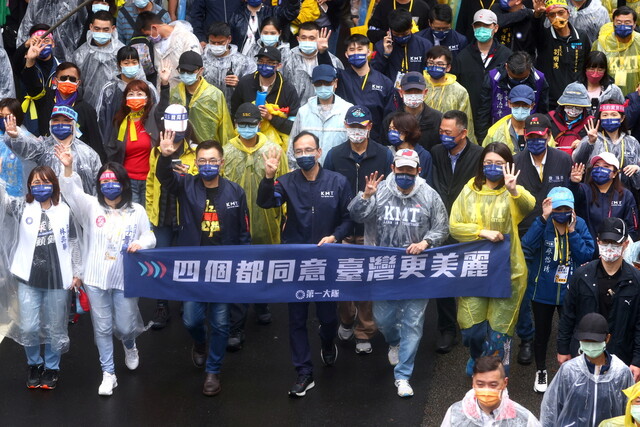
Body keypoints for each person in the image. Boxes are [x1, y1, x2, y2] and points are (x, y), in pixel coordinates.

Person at [257, 131, 353, 398]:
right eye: (298, 152)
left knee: (328, 317)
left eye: (309, 150)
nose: (304, 156)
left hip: (327, 261)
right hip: (297, 262)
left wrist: (336, 236)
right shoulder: (286, 182)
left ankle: (327, 341)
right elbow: (265, 202)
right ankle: (304, 372)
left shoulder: (338, 182)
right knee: (296, 319)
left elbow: (348, 218)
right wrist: (268, 177)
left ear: (319, 152)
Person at [56, 150, 156, 396]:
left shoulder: (137, 211)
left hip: (125, 278)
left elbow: (150, 235)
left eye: (114, 181)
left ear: (123, 183)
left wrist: (141, 244)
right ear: (99, 185)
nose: (109, 185)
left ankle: (130, 344)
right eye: (104, 181)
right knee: (101, 327)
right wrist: (68, 168)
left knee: (124, 325)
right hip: (96, 278)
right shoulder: (90, 206)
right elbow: (70, 191)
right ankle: (108, 373)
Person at [349, 148, 448, 397]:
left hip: (417, 269)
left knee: (413, 323)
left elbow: (441, 227)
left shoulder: (429, 195)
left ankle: (403, 376)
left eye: (410, 170)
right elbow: (355, 215)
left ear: (418, 170)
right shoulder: (379, 190)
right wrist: (364, 196)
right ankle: (394, 341)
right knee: (383, 320)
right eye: (400, 169)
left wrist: (426, 242)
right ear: (393, 169)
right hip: (384, 268)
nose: (405, 174)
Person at [156, 136, 250, 396]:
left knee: (220, 323)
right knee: (191, 319)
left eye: (212, 160)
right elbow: (165, 178)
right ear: (195, 164)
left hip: (223, 268)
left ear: (221, 162)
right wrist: (165, 157)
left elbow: (244, 233)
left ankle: (213, 371)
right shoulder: (186, 185)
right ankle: (199, 343)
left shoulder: (235, 192)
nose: (207, 164)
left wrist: (243, 264)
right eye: (202, 161)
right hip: (193, 267)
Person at [450, 142, 535, 376]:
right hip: (475, 269)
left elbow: (529, 205)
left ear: (508, 166)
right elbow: (454, 225)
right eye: (488, 163)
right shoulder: (469, 190)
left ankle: (495, 379)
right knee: (471, 328)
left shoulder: (512, 191)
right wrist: (480, 232)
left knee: (500, 331)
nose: (493, 167)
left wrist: (513, 189)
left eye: (499, 163)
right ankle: (476, 356)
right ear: (481, 165)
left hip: (507, 270)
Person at [323, 105, 393, 355]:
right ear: (345, 126)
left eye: (361, 127)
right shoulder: (334, 155)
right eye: (352, 127)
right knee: (342, 282)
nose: (356, 131)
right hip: (342, 231)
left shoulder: (384, 155)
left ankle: (365, 331)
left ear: (370, 127)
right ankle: (346, 319)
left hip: (370, 231)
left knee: (366, 284)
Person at [0, 166, 78, 390]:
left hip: (57, 281)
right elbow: (2, 200)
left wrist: (78, 272)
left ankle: (52, 367)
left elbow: (74, 242)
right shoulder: (22, 207)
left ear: (54, 184)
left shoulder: (64, 210)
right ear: (29, 186)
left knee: (56, 327)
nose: (40, 187)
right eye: (35, 183)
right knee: (29, 327)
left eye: (45, 182)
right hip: (29, 280)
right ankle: (34, 364)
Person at [224, 103, 287, 350]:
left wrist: (284, 215)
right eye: (242, 124)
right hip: (235, 219)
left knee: (264, 264)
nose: (247, 128)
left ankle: (262, 304)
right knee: (239, 269)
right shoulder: (227, 151)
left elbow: (283, 184)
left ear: (259, 125)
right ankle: (236, 325)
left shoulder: (273, 150)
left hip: (266, 218)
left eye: (251, 124)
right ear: (235, 124)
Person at [521, 187, 595, 393]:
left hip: (570, 291)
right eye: (557, 208)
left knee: (571, 333)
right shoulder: (543, 224)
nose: (561, 212)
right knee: (542, 333)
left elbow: (587, 254)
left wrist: (572, 233)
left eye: (566, 208)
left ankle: (571, 373)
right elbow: (526, 244)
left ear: (572, 210)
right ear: (550, 207)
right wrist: (543, 218)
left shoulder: (578, 224)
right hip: (542, 291)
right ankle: (541, 370)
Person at [557, 217, 640, 379]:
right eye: (605, 241)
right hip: (583, 352)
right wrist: (563, 349)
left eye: (615, 243)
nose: (609, 247)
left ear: (626, 244)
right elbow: (568, 316)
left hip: (622, 357)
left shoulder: (636, 280)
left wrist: (637, 360)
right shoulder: (582, 276)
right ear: (598, 242)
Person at [431, 110, 484, 353]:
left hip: (468, 226)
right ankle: (447, 328)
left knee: (469, 278)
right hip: (441, 224)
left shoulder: (480, 155)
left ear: (463, 133)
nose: (443, 136)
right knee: (442, 280)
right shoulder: (436, 153)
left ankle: (473, 325)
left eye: (448, 133)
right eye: (441, 131)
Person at [144, 104, 199, 330]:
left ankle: (187, 301)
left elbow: (199, 182)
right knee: (161, 262)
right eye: (171, 127)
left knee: (187, 261)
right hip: (163, 216)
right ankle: (161, 304)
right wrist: (150, 213)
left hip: (186, 216)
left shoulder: (195, 151)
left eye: (179, 128)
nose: (175, 133)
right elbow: (150, 183)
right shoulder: (156, 150)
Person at [543, 312, 635, 426]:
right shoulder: (569, 371)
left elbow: (629, 411)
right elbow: (551, 409)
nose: (590, 345)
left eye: (595, 341)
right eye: (586, 340)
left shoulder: (621, 373)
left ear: (607, 338)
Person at [20, 47, 104, 161]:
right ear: (55, 80)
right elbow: (32, 85)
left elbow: (95, 142)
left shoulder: (86, 109)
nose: (68, 81)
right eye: (64, 78)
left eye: (72, 79)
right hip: (47, 157)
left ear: (78, 83)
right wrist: (30, 61)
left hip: (75, 161)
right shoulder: (45, 97)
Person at [318, 34, 398, 143]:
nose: (356, 53)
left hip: (375, 141)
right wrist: (322, 53)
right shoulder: (340, 77)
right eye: (352, 49)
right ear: (346, 54)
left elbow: (389, 115)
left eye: (360, 49)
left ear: (368, 52)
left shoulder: (384, 82)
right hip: (344, 138)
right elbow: (326, 71)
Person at [4, 106, 101, 195]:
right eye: (56, 120)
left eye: (66, 120)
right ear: (50, 124)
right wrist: (15, 137)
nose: (60, 124)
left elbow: (97, 184)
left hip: (80, 210)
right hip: (51, 208)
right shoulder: (43, 147)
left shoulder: (88, 153)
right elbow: (27, 147)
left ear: (73, 125)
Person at [453, 9, 512, 142]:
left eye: (486, 25)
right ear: (473, 27)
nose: (481, 29)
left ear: (495, 28)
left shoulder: (506, 55)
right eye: (478, 25)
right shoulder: (463, 56)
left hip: (498, 115)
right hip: (470, 116)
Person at [441, 356, 542, 426]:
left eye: (493, 385)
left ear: (504, 383)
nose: (486, 390)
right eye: (480, 384)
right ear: (473, 382)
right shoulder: (455, 413)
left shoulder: (523, 418)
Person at [105, 80, 159, 205]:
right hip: (128, 179)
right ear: (125, 99)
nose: (135, 97)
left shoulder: (153, 119)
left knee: (148, 219)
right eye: (131, 94)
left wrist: (165, 85)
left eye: (139, 94)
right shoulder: (119, 122)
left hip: (150, 179)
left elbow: (162, 107)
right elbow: (112, 150)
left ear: (147, 99)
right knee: (131, 215)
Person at [573, 95, 640, 196]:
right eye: (605, 115)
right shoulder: (591, 139)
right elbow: (578, 161)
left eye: (613, 115)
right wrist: (590, 143)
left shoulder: (632, 142)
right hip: (594, 194)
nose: (609, 118)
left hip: (625, 196)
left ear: (622, 118)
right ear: (599, 118)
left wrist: (637, 169)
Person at [230, 46, 300, 141]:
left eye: (270, 63)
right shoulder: (245, 83)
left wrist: (271, 117)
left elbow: (294, 127)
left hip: (276, 145)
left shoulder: (288, 89)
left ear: (279, 65)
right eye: (261, 61)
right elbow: (234, 114)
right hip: (246, 139)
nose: (264, 65)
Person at [288, 64, 352, 168]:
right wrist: (293, 170)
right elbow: (292, 145)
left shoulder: (347, 110)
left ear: (335, 83)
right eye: (318, 83)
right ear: (313, 85)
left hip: (338, 172)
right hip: (308, 172)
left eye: (327, 83)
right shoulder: (304, 111)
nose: (323, 86)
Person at [477, 51, 549, 142]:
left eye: (523, 79)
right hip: (499, 134)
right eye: (514, 78)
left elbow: (543, 111)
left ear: (530, 68)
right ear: (506, 67)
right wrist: (482, 139)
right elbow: (483, 111)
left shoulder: (539, 79)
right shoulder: (493, 77)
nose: (518, 82)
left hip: (530, 133)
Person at [532, 0, 591, 109]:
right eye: (552, 15)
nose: (557, 17)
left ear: (568, 13)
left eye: (560, 13)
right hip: (551, 101)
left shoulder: (581, 36)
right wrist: (537, 14)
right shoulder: (544, 36)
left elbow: (587, 63)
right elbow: (535, 29)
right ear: (547, 18)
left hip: (576, 99)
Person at [168, 51, 234, 146]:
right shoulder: (175, 93)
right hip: (181, 148)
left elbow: (225, 128)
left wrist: (225, 152)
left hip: (208, 150)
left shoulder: (214, 95)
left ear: (201, 70)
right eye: (182, 71)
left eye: (190, 71)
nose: (186, 74)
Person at [569, 152, 639, 243]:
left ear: (614, 174)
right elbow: (572, 201)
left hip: (614, 250)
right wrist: (573, 183)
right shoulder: (583, 190)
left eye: (606, 166)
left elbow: (632, 227)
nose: (600, 169)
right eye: (596, 166)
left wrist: (621, 247)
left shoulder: (625, 195)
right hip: (587, 249)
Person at [96, 46, 159, 145]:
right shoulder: (109, 89)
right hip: (116, 142)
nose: (130, 66)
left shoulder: (148, 88)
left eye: (134, 62)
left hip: (144, 142)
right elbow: (101, 119)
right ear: (118, 65)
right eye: (126, 63)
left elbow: (157, 113)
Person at [72, 10, 125, 110]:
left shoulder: (122, 52)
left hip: (117, 109)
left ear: (113, 29)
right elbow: (76, 86)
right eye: (97, 29)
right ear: (91, 27)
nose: (101, 33)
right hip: (87, 108)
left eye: (105, 29)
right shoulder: (80, 54)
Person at [422, 46, 475, 143]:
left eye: (440, 64)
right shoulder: (419, 85)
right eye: (431, 63)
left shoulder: (459, 91)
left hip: (448, 139)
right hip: (422, 137)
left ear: (448, 67)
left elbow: (467, 121)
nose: (434, 67)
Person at [283, 22, 343, 106]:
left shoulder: (333, 60)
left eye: (312, 38)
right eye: (303, 38)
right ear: (298, 39)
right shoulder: (287, 59)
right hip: (294, 110)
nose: (307, 41)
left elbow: (339, 87)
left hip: (324, 109)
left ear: (318, 39)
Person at [136, 11, 202, 87]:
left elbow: (195, 68)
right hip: (164, 92)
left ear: (154, 27)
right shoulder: (156, 44)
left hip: (184, 91)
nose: (149, 38)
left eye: (148, 34)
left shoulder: (187, 38)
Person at [202, 21, 256, 111]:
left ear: (229, 39)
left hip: (234, 112)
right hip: (207, 112)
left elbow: (253, 88)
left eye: (220, 42)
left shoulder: (244, 63)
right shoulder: (202, 61)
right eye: (212, 42)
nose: (216, 45)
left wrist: (240, 84)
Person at [370, 9, 432, 85]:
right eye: (396, 34)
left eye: (404, 34)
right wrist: (385, 55)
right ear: (390, 30)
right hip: (391, 92)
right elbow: (374, 73)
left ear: (411, 26)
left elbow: (429, 73)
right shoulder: (381, 46)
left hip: (417, 90)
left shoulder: (424, 45)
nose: (401, 37)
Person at [16, 0, 88, 62]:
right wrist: (24, 50)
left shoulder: (74, 2)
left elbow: (82, 25)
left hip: (65, 53)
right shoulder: (36, 2)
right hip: (39, 51)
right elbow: (26, 26)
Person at [592, 6, 640, 98]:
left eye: (627, 22)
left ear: (634, 24)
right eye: (619, 23)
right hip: (606, 95)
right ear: (613, 23)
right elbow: (592, 68)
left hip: (636, 95)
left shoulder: (639, 42)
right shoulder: (601, 43)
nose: (623, 26)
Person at [387, 71, 441, 151]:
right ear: (401, 92)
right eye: (408, 91)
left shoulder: (437, 119)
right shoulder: (391, 120)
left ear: (425, 92)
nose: (413, 95)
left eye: (417, 91)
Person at [227, 0, 300, 56]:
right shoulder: (236, 15)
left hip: (269, 58)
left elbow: (291, 12)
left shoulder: (272, 12)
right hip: (242, 58)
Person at [383, 112, 433, 185]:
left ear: (406, 131)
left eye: (395, 129)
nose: (391, 132)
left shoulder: (424, 155)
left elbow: (427, 183)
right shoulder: (387, 152)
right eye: (390, 129)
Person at [483, 85, 536, 154]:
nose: (520, 108)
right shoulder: (495, 132)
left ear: (532, 106)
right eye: (516, 104)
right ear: (509, 104)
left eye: (525, 105)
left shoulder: (540, 129)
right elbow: (486, 156)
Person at [0, 98, 35, 197]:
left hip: (22, 195)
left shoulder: (28, 138)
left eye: (7, 116)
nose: (3, 120)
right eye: (0, 116)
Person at [548, 82, 594, 153]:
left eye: (578, 106)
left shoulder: (591, 123)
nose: (573, 109)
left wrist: (584, 143)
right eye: (569, 105)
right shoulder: (549, 119)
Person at [577, 50, 624, 117]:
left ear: (605, 70)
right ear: (585, 68)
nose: (595, 73)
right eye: (592, 69)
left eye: (600, 70)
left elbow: (622, 112)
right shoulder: (575, 89)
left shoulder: (613, 90)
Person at [366, 0, 433, 45]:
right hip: (390, 48)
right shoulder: (383, 5)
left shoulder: (422, 7)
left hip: (415, 49)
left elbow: (428, 32)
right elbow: (372, 32)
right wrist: (388, 35)